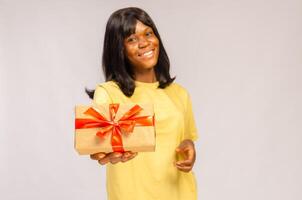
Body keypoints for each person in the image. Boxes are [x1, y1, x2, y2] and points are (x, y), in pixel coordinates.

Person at [86, 7, 199, 200]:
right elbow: (97, 144)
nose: (144, 43)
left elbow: (185, 139)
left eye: (148, 33)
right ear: (118, 48)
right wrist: (103, 153)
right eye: (131, 39)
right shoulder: (109, 93)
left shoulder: (180, 94)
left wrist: (189, 147)